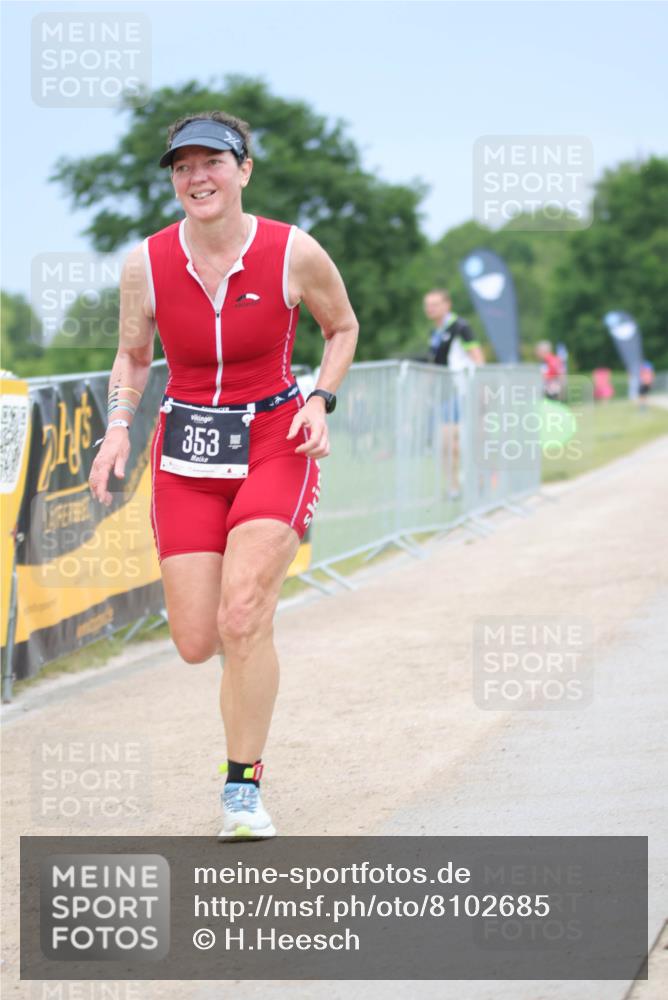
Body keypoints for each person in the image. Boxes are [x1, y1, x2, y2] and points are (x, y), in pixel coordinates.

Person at [88, 112, 358, 840]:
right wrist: (118, 428)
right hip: (187, 451)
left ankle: (242, 788)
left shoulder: (292, 253)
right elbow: (134, 356)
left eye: (212, 162)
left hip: (276, 438)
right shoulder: (145, 262)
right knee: (198, 639)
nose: (196, 177)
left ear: (244, 170)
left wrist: (321, 399)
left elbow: (343, 327)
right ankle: (243, 665)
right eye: (182, 167)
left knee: (244, 614)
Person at [422, 289, 484, 496]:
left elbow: (476, 356)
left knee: (457, 441)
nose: (431, 308)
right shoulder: (435, 332)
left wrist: (480, 387)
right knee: (445, 444)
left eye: (435, 304)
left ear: (447, 305)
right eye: (428, 305)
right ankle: (454, 486)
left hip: (460, 391)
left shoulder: (460, 327)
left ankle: (471, 481)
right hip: (441, 394)